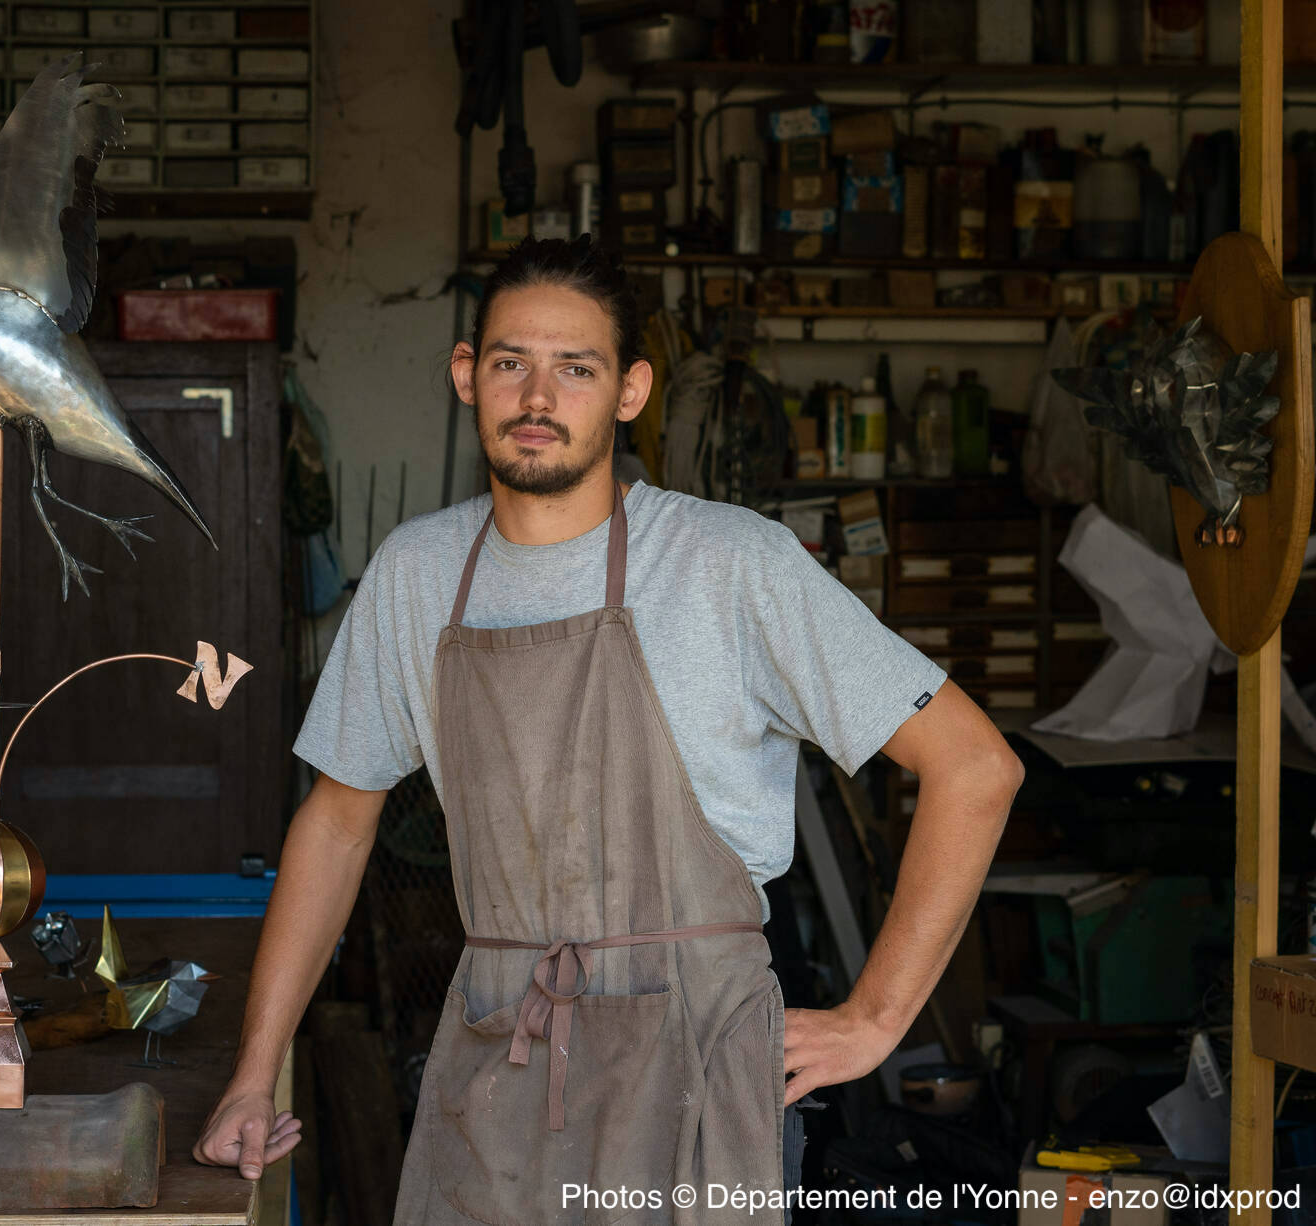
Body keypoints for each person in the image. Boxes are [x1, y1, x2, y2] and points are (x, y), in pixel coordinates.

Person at [192, 236, 1024, 1223]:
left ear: (631, 391)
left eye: (574, 369)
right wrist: (256, 1073)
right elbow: (337, 825)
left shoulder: (730, 562)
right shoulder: (416, 576)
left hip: (697, 1057)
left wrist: (874, 1016)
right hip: (502, 1049)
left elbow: (975, 764)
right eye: (511, 362)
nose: (536, 395)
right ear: (467, 374)